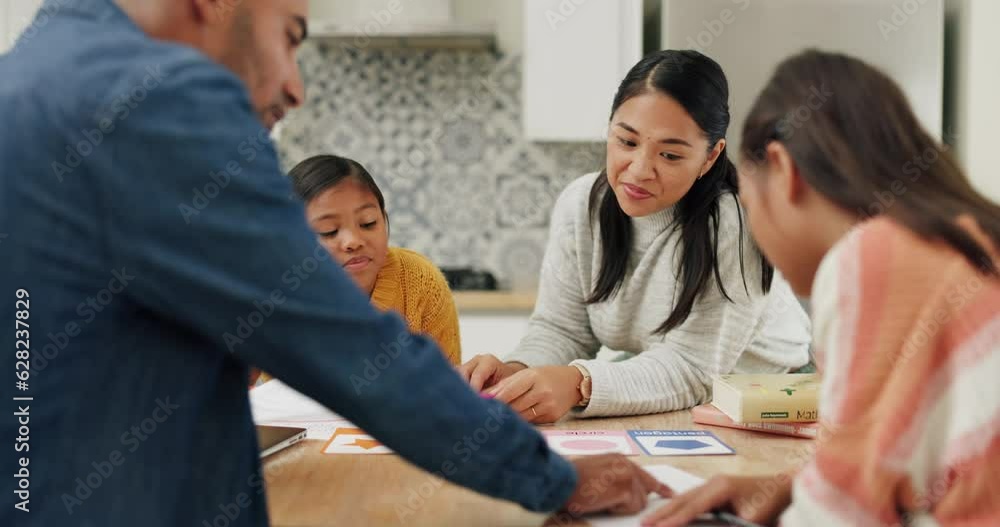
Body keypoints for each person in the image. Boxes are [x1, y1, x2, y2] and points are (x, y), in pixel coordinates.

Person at [0, 1, 668, 524]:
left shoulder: (35, 66)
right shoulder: (157, 100)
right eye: (290, 36)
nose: (296, 86)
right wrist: (554, 475)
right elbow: (351, 350)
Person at [643, 50, 1000, 527]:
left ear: (782, 169)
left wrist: (810, 500)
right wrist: (796, 487)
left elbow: (841, 518)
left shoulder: (872, 256)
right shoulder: (973, 237)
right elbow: (906, 461)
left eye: (749, 204)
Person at [460, 50, 811, 424]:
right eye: (627, 143)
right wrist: (516, 373)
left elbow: (693, 369)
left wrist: (579, 383)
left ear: (710, 158)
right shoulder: (581, 204)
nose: (639, 170)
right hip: (669, 386)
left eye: (671, 155)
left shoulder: (736, 224)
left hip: (770, 399)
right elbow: (561, 329)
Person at [253, 155, 462, 385]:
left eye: (368, 223)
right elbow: (267, 405)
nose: (353, 241)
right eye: (328, 231)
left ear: (384, 219)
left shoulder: (420, 281)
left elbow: (446, 389)